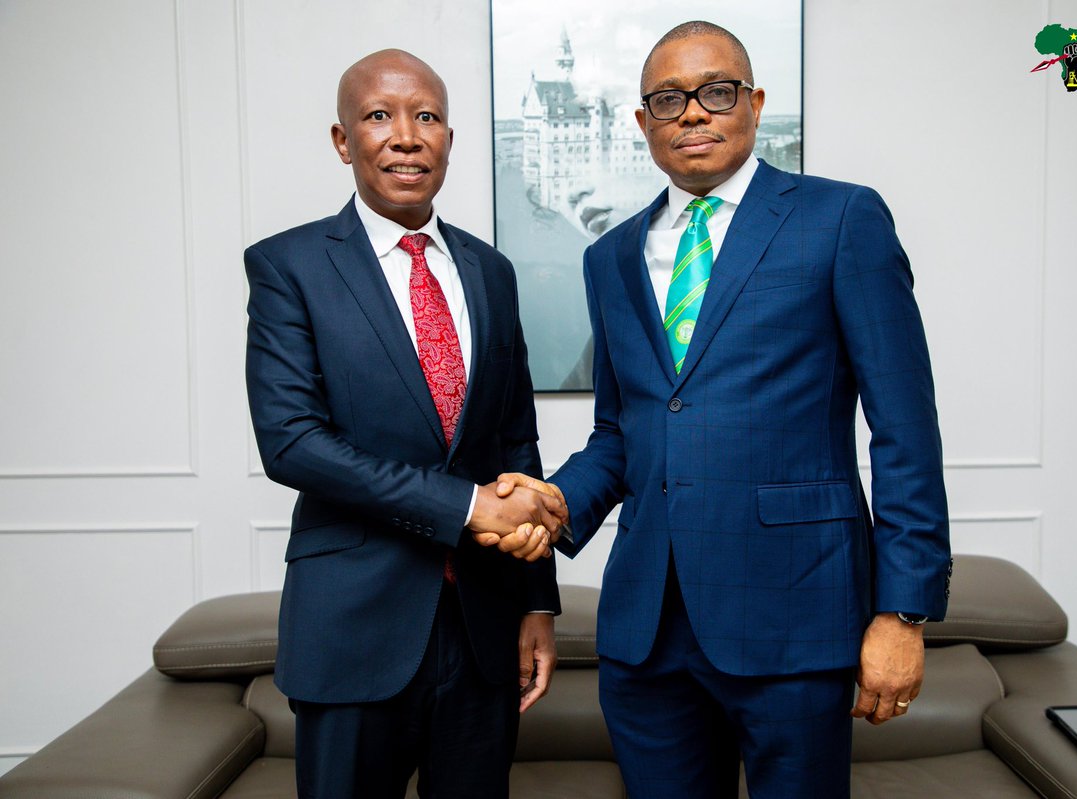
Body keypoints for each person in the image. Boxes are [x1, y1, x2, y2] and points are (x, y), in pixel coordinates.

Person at [484, 21, 952, 798]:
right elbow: (623, 430)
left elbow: (906, 429)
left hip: (797, 617)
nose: (693, 113)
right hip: (645, 631)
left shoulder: (840, 220)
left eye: (716, 92)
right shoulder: (610, 257)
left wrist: (902, 612)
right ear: (643, 123)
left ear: (753, 103)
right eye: (668, 99)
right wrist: (560, 500)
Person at [245, 49, 564, 799]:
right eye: (379, 116)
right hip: (353, 626)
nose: (406, 135)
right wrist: (464, 505)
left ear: (449, 137)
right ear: (342, 139)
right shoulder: (289, 266)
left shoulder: (492, 271)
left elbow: (516, 442)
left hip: (485, 624)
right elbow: (291, 439)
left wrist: (538, 599)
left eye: (426, 116)